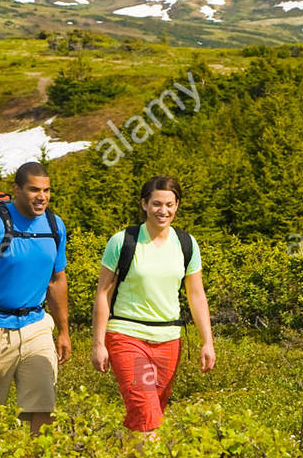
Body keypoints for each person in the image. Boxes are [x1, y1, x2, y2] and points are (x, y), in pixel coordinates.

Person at [91, 175, 215, 435]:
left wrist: (207, 342)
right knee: (146, 410)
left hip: (169, 340)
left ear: (177, 205)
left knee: (150, 412)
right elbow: (103, 293)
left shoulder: (187, 244)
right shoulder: (122, 241)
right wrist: (98, 343)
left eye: (170, 204)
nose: (163, 211)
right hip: (128, 337)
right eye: (157, 204)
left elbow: (196, 295)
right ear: (144, 204)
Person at [0, 161, 71, 435]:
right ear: (17, 189)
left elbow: (57, 282)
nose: (41, 197)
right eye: (34, 190)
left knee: (43, 407)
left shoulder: (55, 226)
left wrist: (64, 332)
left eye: (46, 190)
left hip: (37, 327)